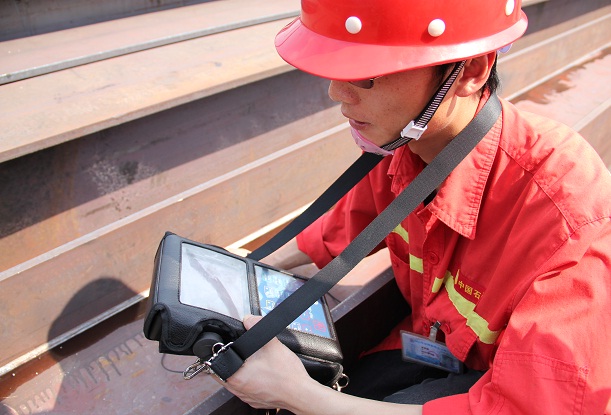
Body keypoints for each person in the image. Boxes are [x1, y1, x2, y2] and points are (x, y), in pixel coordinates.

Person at [215, 0, 611, 413]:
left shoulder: (569, 216)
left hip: (499, 381)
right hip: (431, 343)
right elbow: (347, 224)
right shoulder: (405, 145)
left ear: (470, 72)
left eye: (367, 75)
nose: (336, 93)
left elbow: (533, 405)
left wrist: (298, 396)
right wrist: (244, 266)